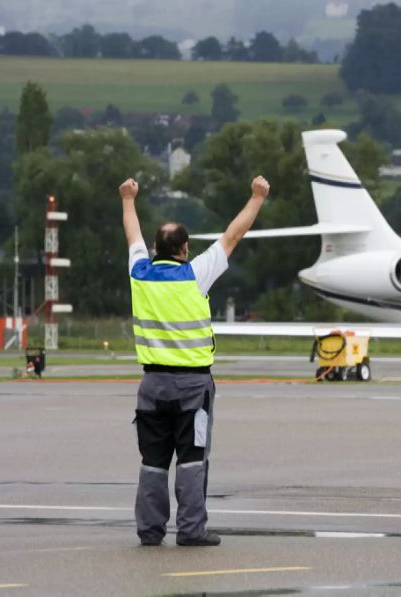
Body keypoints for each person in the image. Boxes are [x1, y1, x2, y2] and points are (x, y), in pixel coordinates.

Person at [121, 175, 269, 546]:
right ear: (185, 249)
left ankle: (150, 531)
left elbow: (131, 236)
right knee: (191, 459)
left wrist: (128, 199)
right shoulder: (195, 275)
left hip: (152, 386)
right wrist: (257, 197)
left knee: (153, 461)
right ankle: (191, 530)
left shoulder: (140, 275)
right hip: (192, 387)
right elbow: (233, 236)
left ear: (156, 248)